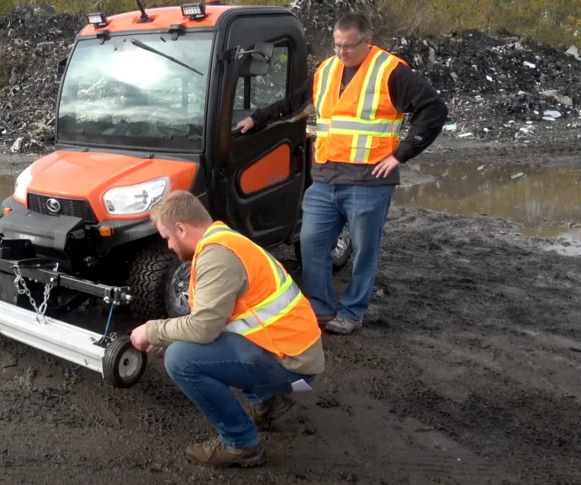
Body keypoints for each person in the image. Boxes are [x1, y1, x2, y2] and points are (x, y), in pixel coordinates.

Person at [235, 13, 448, 335]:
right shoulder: (327, 69)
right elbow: (295, 102)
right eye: (337, 45)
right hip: (325, 178)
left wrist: (400, 155)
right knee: (311, 243)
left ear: (367, 41)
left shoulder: (390, 71)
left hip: (368, 181)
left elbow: (434, 110)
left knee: (364, 251)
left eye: (348, 46)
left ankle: (352, 312)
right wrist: (258, 118)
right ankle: (320, 307)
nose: (342, 52)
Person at [130, 190, 325, 468]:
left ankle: (241, 444)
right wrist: (169, 335)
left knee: (181, 360)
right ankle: (269, 402)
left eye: (168, 238)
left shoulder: (216, 256)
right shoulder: (223, 241)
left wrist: (152, 330)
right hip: (291, 352)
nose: (169, 246)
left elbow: (204, 328)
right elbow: (215, 318)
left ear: (181, 228)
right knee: (184, 346)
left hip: (294, 365)